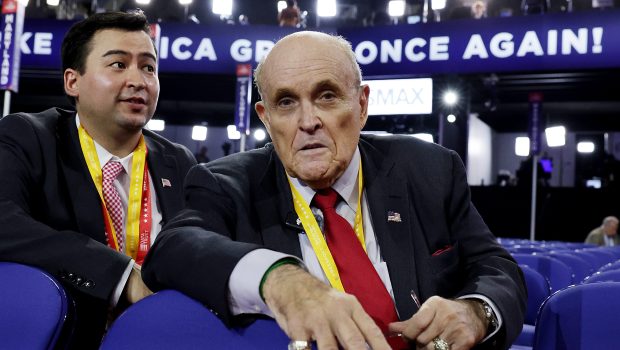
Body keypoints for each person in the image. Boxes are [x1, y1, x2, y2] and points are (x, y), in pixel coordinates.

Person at [142, 31, 526, 350]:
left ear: (361, 105)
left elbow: (496, 268)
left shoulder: (429, 170)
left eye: (326, 96)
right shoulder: (226, 184)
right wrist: (279, 278)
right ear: (266, 118)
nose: (308, 122)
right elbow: (173, 248)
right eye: (286, 102)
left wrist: (477, 311)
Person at [0, 11, 196, 349]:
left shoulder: (178, 161)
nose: (139, 80)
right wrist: (119, 274)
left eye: (149, 67)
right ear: (72, 81)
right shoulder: (29, 138)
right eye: (118, 65)